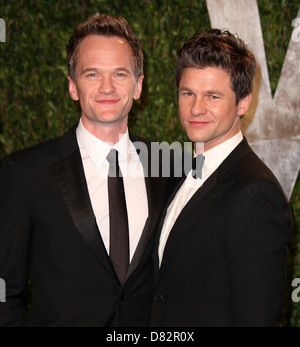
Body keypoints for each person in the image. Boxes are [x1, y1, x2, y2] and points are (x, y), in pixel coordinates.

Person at [0, 13, 174, 327]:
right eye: (92, 74)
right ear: (72, 87)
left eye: (120, 74)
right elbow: (5, 292)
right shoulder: (25, 174)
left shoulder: (167, 165)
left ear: (138, 86)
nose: (107, 87)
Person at [150, 29, 292, 327]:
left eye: (212, 96)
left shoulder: (255, 193)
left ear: (242, 103)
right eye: (188, 93)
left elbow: (258, 319)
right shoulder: (175, 175)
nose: (196, 108)